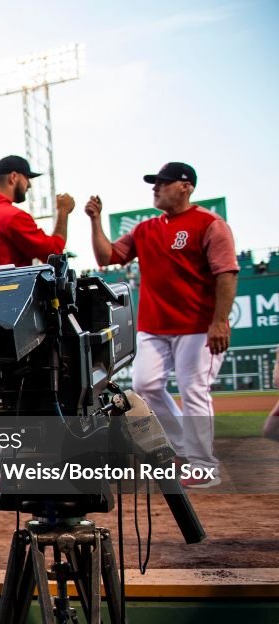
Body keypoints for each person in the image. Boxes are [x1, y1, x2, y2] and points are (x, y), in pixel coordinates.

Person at [87, 162, 238, 488]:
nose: (156, 188)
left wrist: (220, 322)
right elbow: (107, 256)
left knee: (194, 390)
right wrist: (96, 220)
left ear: (186, 186)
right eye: (155, 183)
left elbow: (226, 273)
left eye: (164, 183)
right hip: (155, 327)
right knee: (146, 386)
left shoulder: (210, 224)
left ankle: (202, 465)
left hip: (198, 326)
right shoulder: (146, 229)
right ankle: (184, 448)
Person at [0, 155, 75, 267]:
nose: (29, 185)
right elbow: (53, 254)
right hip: (9, 284)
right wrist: (63, 211)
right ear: (13, 177)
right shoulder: (11, 216)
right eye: (27, 178)